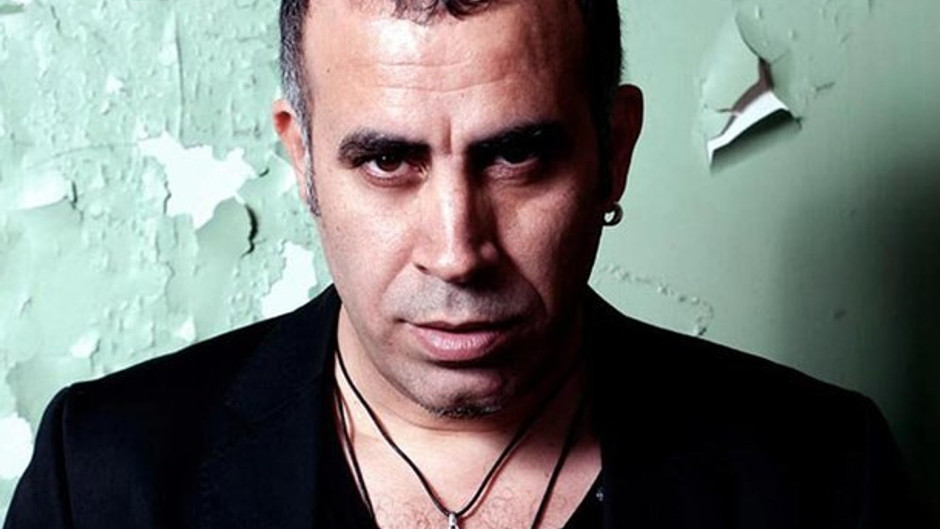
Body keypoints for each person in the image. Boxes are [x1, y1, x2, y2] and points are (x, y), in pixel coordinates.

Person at [4, 0, 923, 527]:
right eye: (386, 159)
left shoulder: (828, 478)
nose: (457, 252)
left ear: (615, 150)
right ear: (302, 160)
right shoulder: (104, 478)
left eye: (517, 154)